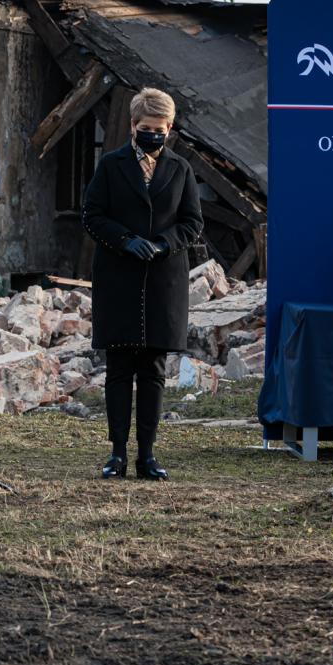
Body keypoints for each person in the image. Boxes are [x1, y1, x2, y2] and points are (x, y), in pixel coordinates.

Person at [82, 88, 203, 481]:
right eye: (147, 128)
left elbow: (192, 222)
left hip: (162, 278)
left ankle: (147, 456)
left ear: (169, 129)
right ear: (133, 126)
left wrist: (163, 244)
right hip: (119, 274)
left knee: (153, 369)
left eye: (161, 129)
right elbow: (92, 213)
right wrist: (124, 240)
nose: (154, 135)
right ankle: (116, 453)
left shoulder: (180, 169)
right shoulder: (111, 165)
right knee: (119, 367)